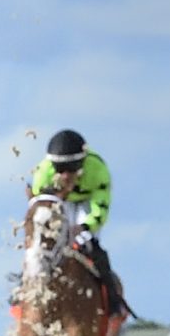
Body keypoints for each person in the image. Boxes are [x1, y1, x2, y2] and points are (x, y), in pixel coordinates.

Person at [29, 128, 124, 314]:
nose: (65, 175)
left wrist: (84, 227)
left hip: (88, 203)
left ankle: (112, 298)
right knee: (42, 245)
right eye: (60, 169)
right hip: (60, 202)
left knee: (87, 243)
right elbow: (39, 209)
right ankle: (23, 291)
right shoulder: (42, 174)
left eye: (72, 169)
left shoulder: (98, 170)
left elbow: (100, 208)